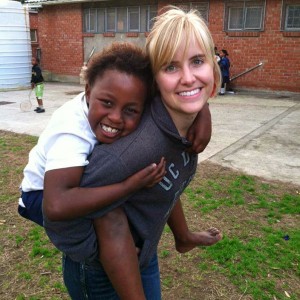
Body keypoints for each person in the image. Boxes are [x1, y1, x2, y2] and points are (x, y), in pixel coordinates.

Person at [43, 7, 222, 299]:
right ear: (155, 81)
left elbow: (167, 183)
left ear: (213, 67)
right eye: (171, 67)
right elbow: (59, 213)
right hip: (104, 270)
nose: (188, 78)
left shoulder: (179, 123)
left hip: (142, 252)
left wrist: (204, 109)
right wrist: (94, 253)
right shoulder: (130, 152)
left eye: (198, 61)